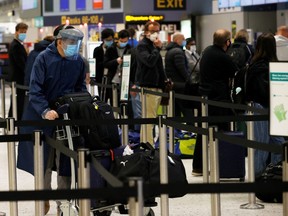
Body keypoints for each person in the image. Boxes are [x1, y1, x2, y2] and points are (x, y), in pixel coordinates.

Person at [17, 25, 87, 215]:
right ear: (59, 41)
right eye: (70, 42)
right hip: (43, 118)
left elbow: (80, 87)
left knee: (65, 162)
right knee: (44, 163)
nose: (74, 46)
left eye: (76, 43)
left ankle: (63, 204)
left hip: (66, 117)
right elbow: (35, 90)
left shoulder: (78, 61)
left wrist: (84, 104)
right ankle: (44, 198)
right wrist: (45, 110)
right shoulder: (43, 59)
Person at [246, 32, 284, 177]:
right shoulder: (263, 66)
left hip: (265, 106)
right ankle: (258, 177)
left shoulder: (254, 64)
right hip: (265, 106)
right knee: (262, 145)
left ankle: (275, 173)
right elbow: (262, 91)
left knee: (277, 143)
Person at [199, 29, 237, 131]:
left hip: (205, 94)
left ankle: (201, 147)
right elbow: (235, 72)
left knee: (203, 129)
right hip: (219, 99)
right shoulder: (223, 57)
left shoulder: (207, 51)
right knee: (221, 129)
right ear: (227, 42)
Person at [134, 20, 166, 145]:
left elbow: (159, 67)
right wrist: (157, 49)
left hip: (157, 86)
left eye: (157, 31)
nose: (155, 34)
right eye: (153, 31)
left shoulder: (153, 46)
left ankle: (147, 143)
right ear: (146, 32)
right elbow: (149, 61)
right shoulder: (143, 46)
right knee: (149, 118)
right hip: (148, 87)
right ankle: (148, 144)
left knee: (152, 117)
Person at [183, 37, 202, 176]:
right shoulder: (185, 54)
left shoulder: (196, 54)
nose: (193, 46)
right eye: (191, 45)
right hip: (190, 86)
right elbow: (194, 67)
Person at [103, 29, 132, 104]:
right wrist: (115, 61)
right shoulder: (111, 49)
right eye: (121, 41)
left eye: (125, 41)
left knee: (125, 104)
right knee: (114, 102)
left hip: (125, 80)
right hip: (113, 80)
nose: (123, 43)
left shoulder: (130, 49)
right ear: (118, 39)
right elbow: (105, 63)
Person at [165, 32, 189, 117]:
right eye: (183, 39)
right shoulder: (178, 52)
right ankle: (191, 127)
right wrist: (188, 79)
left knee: (176, 108)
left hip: (173, 83)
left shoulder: (170, 51)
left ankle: (177, 128)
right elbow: (181, 68)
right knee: (186, 108)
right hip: (180, 84)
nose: (184, 41)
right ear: (177, 40)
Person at [8, 22, 29, 119]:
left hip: (18, 78)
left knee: (16, 101)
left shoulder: (18, 44)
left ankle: (13, 119)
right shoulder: (16, 46)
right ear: (16, 32)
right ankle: (15, 120)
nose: (23, 34)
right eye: (21, 32)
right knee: (17, 101)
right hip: (18, 78)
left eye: (25, 32)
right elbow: (21, 63)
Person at [93, 28, 114, 98]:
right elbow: (96, 64)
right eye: (107, 40)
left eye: (111, 40)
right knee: (102, 98)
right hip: (100, 78)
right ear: (103, 39)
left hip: (112, 78)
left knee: (113, 98)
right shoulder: (97, 50)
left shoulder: (114, 49)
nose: (109, 42)